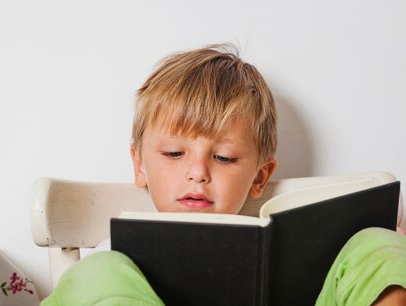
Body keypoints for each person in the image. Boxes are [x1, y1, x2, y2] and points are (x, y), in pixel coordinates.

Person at [41, 45, 406, 306]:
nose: (198, 173)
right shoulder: (114, 265)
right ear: (140, 166)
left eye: (224, 157)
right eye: (173, 154)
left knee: (376, 246)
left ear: (260, 177)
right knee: (98, 272)